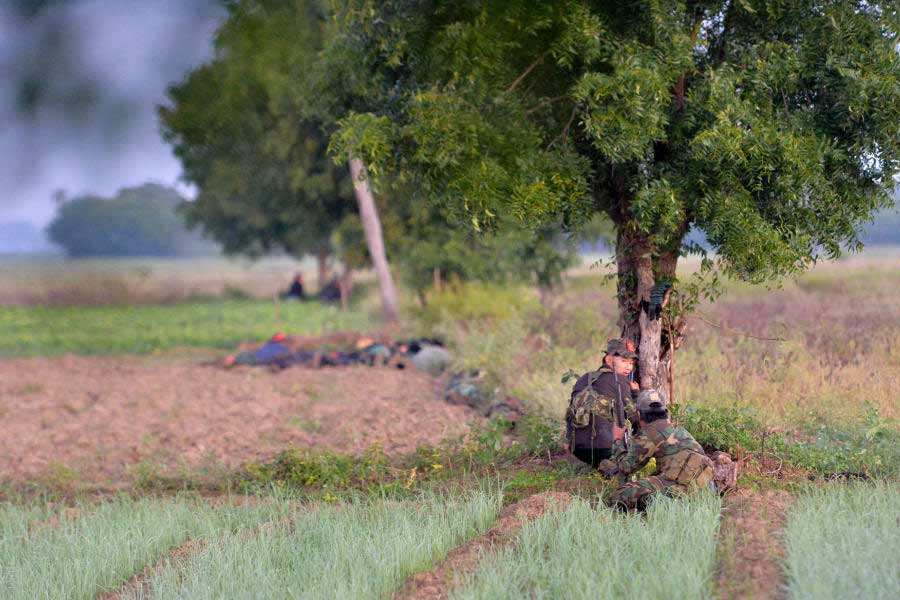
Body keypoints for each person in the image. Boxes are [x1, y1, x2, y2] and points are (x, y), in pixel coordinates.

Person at [608, 389, 714, 511]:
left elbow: (626, 467)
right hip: (704, 485)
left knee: (621, 494)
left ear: (638, 414)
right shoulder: (677, 428)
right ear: (665, 411)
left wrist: (617, 439)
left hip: (682, 487)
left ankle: (666, 505)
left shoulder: (649, 434)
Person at [565, 338, 639, 469]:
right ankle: (613, 467)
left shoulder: (585, 378)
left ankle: (601, 466)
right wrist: (636, 393)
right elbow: (634, 416)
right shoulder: (620, 381)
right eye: (623, 361)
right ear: (609, 360)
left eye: (631, 362)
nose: (628, 367)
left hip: (578, 449)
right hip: (606, 448)